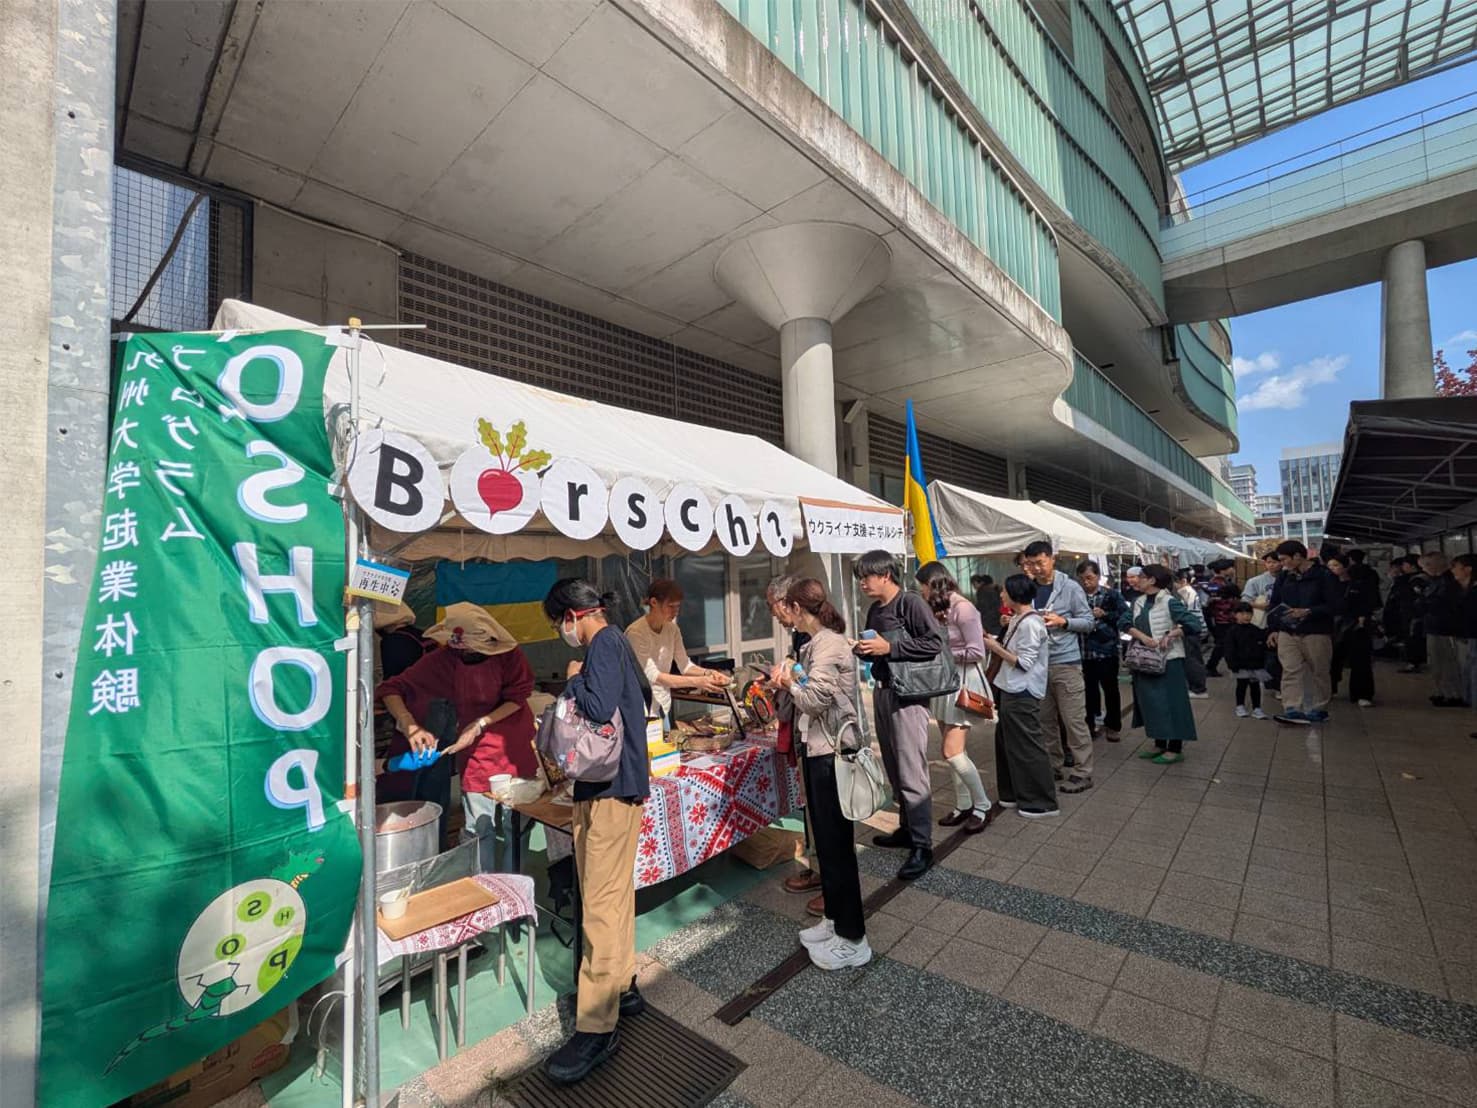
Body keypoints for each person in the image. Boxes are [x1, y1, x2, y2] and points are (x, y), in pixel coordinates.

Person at [541, 579, 651, 1085]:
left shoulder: (603, 643)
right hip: (619, 788)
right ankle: (623, 985)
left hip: (607, 793)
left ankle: (596, 1025)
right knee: (615, 896)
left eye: (558, 623)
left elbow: (599, 703)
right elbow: (642, 696)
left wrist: (572, 680)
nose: (562, 632)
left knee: (600, 908)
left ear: (572, 615)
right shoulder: (620, 644)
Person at [772, 578, 871, 970]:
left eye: (786, 609)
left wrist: (788, 682)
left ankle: (853, 939)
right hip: (818, 751)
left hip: (832, 754)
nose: (784, 616)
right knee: (827, 847)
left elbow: (814, 700)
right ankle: (834, 921)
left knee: (838, 847)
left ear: (797, 609)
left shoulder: (828, 643)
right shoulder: (816, 643)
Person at [378, 603, 536, 848]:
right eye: (463, 652)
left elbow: (518, 696)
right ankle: (481, 882)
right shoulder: (445, 659)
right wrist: (409, 724)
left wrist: (481, 723)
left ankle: (514, 881)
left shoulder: (510, 655)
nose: (468, 656)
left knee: (515, 827)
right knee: (478, 829)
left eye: (475, 652)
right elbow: (391, 688)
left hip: (513, 744)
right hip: (472, 750)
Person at [852, 549, 944, 881]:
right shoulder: (875, 609)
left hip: (909, 695)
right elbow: (876, 648)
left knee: (911, 769)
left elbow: (934, 642)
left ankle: (923, 846)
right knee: (893, 763)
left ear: (886, 575)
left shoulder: (910, 604)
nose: (862, 583)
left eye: (866, 576)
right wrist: (862, 649)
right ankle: (906, 829)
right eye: (860, 577)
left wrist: (889, 647)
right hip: (883, 690)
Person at [917, 562, 994, 832]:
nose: (922, 592)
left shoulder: (964, 608)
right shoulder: (941, 609)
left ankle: (982, 805)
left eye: (923, 586)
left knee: (952, 751)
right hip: (947, 682)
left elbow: (977, 651)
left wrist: (944, 653)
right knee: (953, 752)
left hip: (963, 682)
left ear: (933, 584)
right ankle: (963, 804)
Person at [1020, 540, 1096, 794]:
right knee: (1045, 720)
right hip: (1037, 665)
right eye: (1031, 564)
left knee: (1073, 720)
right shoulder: (1028, 587)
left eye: (1040, 563)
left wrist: (1064, 621)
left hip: (1066, 662)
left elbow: (1088, 622)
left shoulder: (1070, 587)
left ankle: (1083, 772)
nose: (1036, 568)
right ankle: (1053, 765)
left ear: (1053, 559)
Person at [981, 574, 1057, 818]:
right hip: (1009, 688)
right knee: (1008, 743)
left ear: (1014, 594)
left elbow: (1024, 662)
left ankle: (1041, 801)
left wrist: (995, 648)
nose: (1001, 595)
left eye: (1004, 591)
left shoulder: (1031, 623)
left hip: (1022, 690)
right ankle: (1012, 793)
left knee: (1027, 746)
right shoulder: (1018, 619)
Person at [1120, 565, 1203, 763]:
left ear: (1152, 580)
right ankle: (1158, 743)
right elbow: (1123, 622)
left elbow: (1194, 624)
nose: (1136, 580)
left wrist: (1172, 634)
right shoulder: (1138, 601)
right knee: (1151, 704)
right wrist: (1142, 637)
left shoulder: (1170, 602)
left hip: (1169, 661)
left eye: (1141, 577)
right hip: (1144, 661)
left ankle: (1174, 748)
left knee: (1172, 703)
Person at [625, 579, 728, 720]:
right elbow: (654, 676)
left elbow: (685, 665)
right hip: (640, 708)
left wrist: (710, 673)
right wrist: (698, 681)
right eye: (670, 606)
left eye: (678, 606)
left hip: (663, 704)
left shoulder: (672, 629)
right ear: (654, 603)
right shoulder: (636, 633)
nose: (675, 611)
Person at [1267, 540, 1340, 725]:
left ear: (1298, 556)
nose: (1282, 564)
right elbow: (1274, 603)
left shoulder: (1324, 576)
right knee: (1290, 669)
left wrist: (1309, 611)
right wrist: (1274, 628)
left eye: (1284, 559)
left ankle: (1319, 708)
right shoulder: (1284, 578)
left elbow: (1336, 605)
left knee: (1319, 670)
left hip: (1316, 631)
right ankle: (1292, 708)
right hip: (1287, 631)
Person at [1076, 560, 1125, 741]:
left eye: (1089, 578)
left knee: (1110, 689)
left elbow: (1124, 616)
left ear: (1097, 576)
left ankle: (1113, 726)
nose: (1086, 582)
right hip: (1083, 651)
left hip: (1107, 651)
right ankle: (1090, 724)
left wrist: (1105, 615)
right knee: (1088, 691)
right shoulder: (1077, 595)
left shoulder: (1111, 595)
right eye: (1082, 579)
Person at [1327, 552, 1377, 707]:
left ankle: (1362, 694)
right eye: (1329, 566)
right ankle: (1330, 688)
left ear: (1345, 566)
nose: (1332, 569)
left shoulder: (1359, 583)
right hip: (1333, 626)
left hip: (1356, 625)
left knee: (1360, 660)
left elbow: (1369, 602)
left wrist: (1363, 616)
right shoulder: (1327, 584)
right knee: (1332, 659)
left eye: (1336, 565)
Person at [1421, 553, 1468, 707]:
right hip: (1437, 626)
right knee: (1438, 662)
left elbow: (1444, 604)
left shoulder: (1447, 583)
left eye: (1425, 566)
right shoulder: (1439, 582)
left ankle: (1454, 694)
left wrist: (1424, 604)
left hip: (1445, 627)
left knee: (1447, 663)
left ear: (1433, 565)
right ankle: (1443, 691)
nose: (1424, 569)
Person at [1224, 601, 1270, 720]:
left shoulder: (1256, 630)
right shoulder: (1232, 631)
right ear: (1236, 615)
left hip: (1255, 664)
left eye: (1249, 613)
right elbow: (1229, 649)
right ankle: (1240, 706)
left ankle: (1257, 708)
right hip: (1240, 664)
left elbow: (1262, 646)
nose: (1246, 616)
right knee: (1241, 685)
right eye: (1242, 613)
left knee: (1255, 686)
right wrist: (1232, 663)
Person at [1174, 568, 1210, 699]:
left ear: (1183, 581)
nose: (1175, 585)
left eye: (1176, 582)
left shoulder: (1185, 592)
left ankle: (1199, 689)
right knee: (1193, 657)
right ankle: (1196, 686)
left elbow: (1185, 613)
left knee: (1192, 659)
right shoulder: (1191, 591)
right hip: (1196, 628)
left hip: (1191, 629)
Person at [1203, 581, 1241, 677]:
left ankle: (1211, 666)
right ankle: (1212, 666)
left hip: (1218, 625)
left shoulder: (1214, 601)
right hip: (1228, 625)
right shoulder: (1232, 602)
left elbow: (1209, 611)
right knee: (1224, 647)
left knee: (1221, 646)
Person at [1243, 552, 1281, 629]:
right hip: (1263, 621)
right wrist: (1260, 606)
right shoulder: (1254, 581)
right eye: (1268, 562)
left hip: (1282, 621)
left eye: (1274, 562)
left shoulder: (1290, 579)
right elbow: (1245, 601)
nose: (1271, 565)